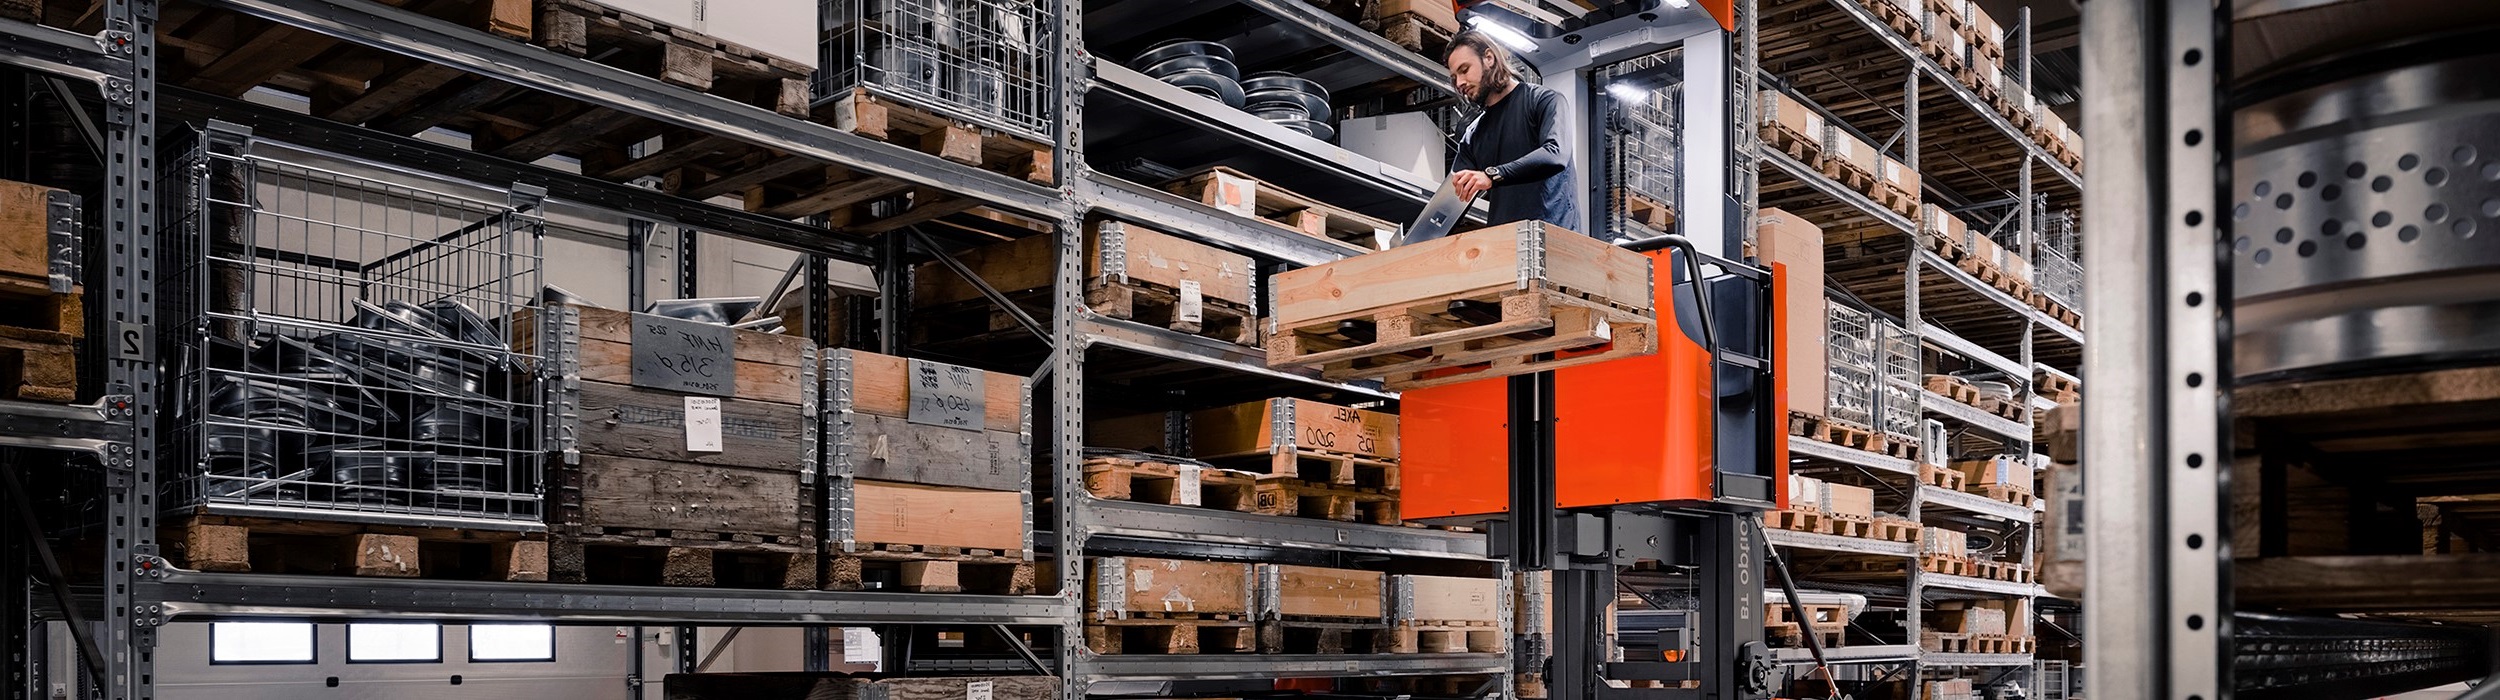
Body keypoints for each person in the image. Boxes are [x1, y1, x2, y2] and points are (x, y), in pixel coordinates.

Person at [1443, 29, 1577, 232]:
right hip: (1505, 246)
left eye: (1464, 70)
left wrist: (1492, 175)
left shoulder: (1544, 101)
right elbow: (1451, 200)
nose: (1459, 83)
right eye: (1454, 77)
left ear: (1488, 58)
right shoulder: (1473, 135)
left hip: (1553, 240)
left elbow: (1555, 154)